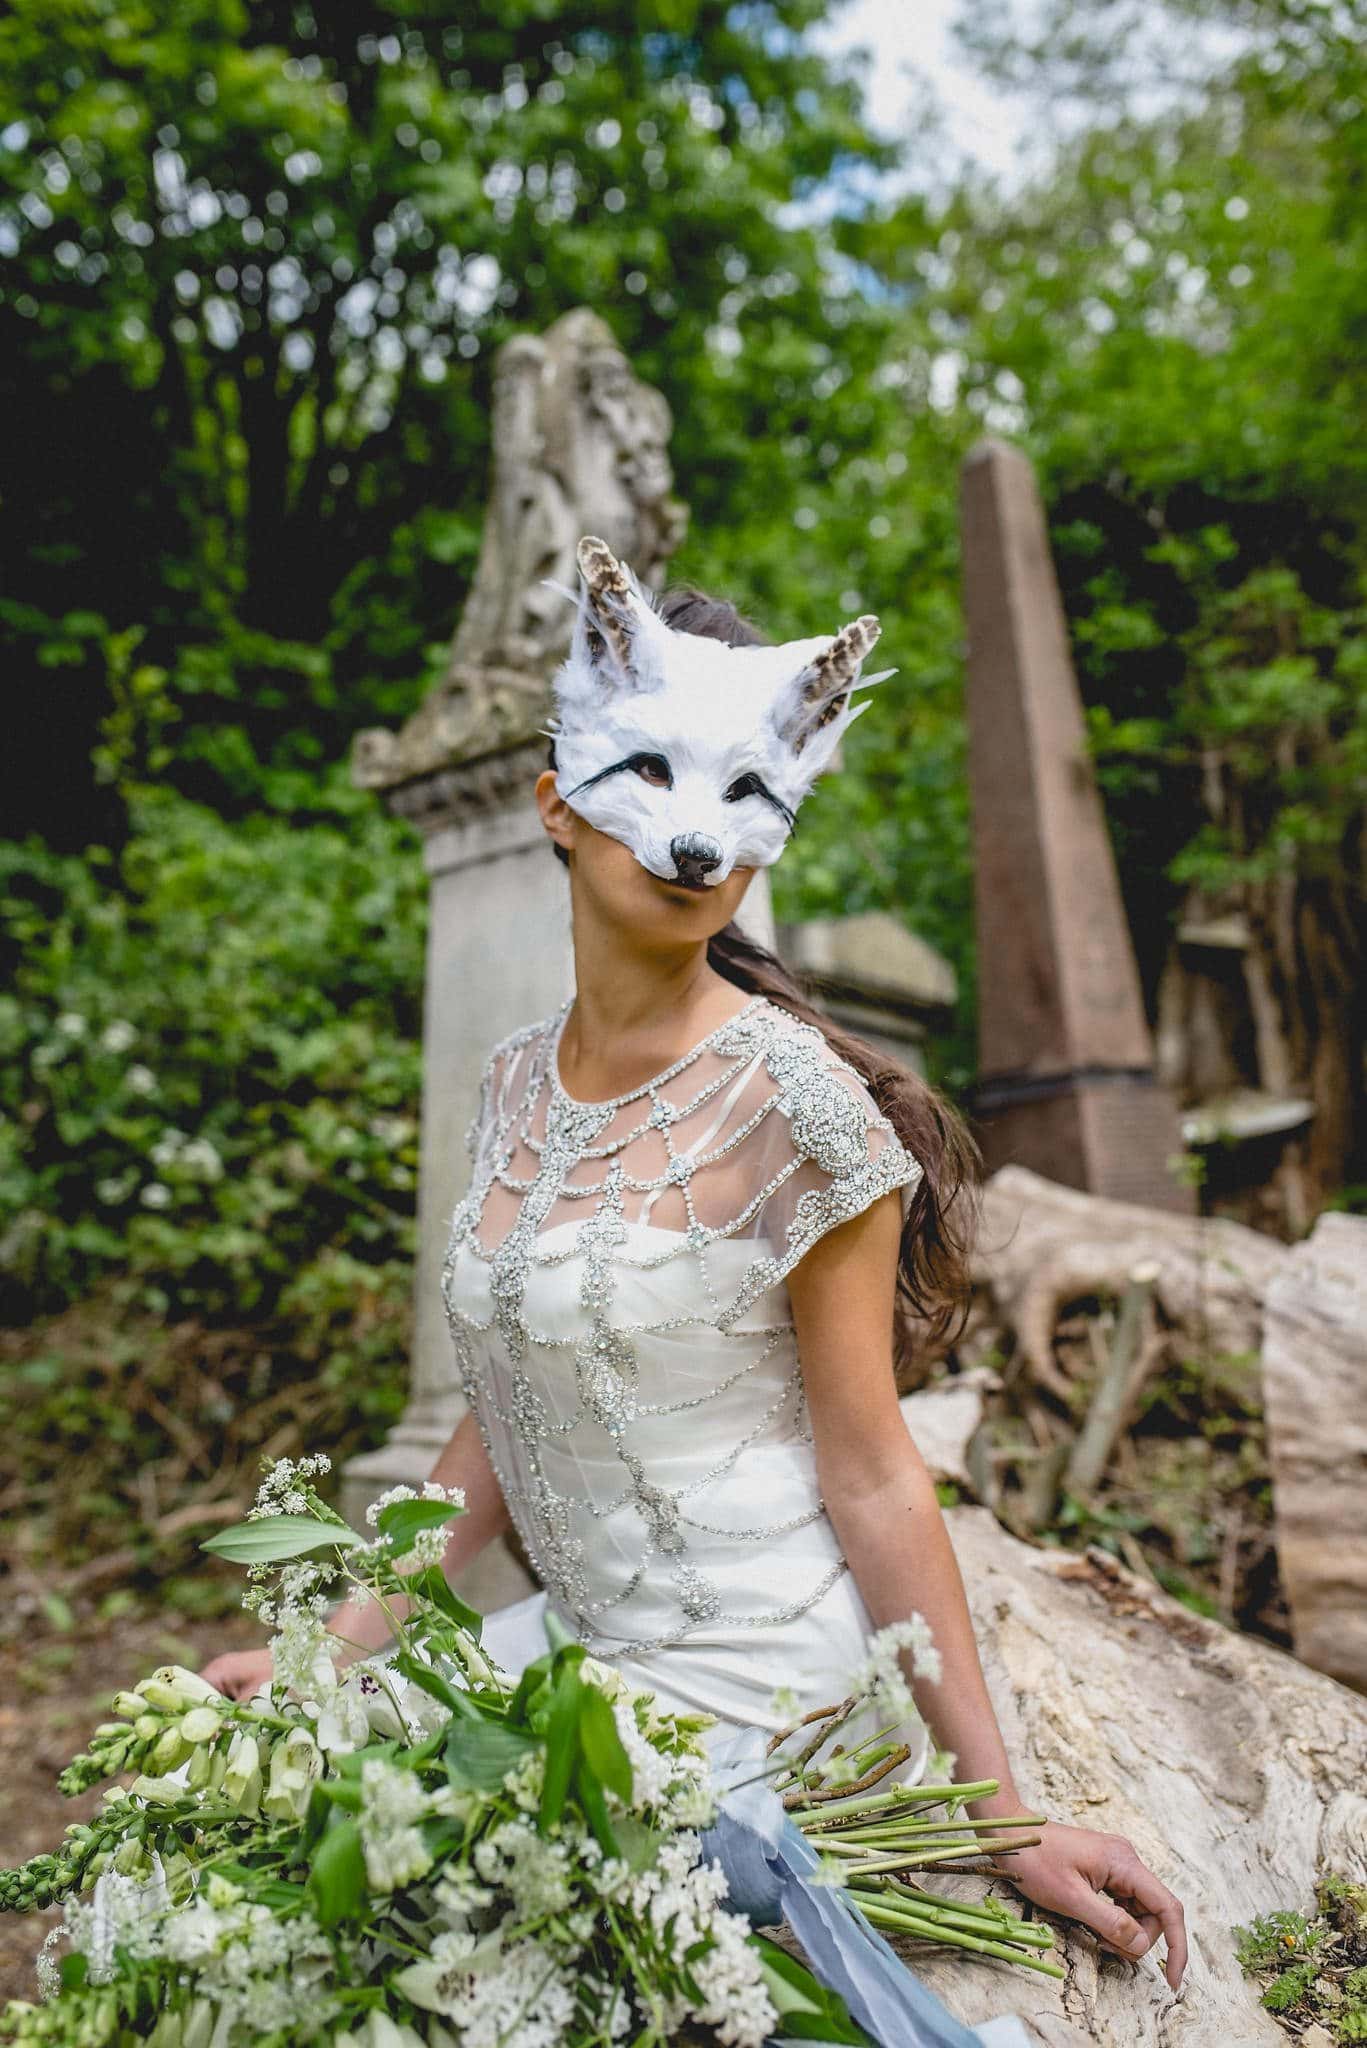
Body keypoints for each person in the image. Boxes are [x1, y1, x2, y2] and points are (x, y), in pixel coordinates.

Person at [201, 539, 1187, 2002]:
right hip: (580, 1649)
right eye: (649, 779)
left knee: (437, 1953)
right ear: (559, 803)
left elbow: (872, 1470)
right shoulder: (514, 1084)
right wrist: (337, 1651)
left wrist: (1001, 1816)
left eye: (740, 799)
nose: (693, 840)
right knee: (272, 1842)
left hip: (760, 1678)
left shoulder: (798, 1106)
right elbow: (500, 1414)